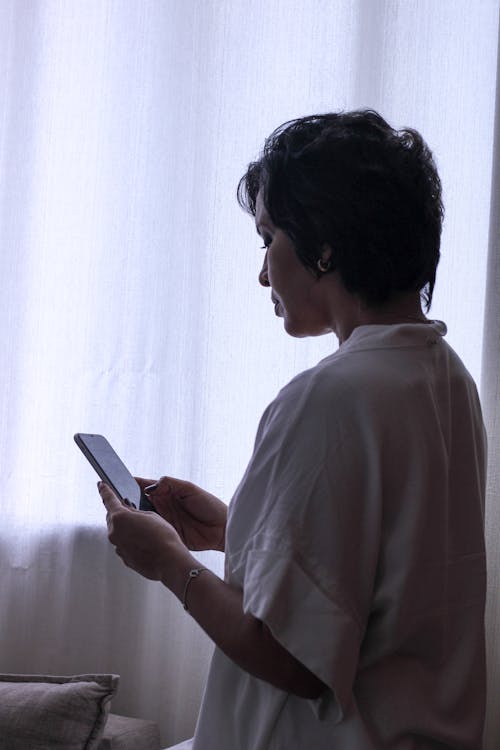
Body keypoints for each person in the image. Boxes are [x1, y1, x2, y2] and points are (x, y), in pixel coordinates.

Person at [98, 110, 487, 750]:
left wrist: (167, 561)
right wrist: (235, 533)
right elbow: (385, 577)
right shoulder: (445, 378)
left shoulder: (330, 397)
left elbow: (297, 664)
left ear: (325, 245)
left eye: (268, 237)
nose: (262, 273)